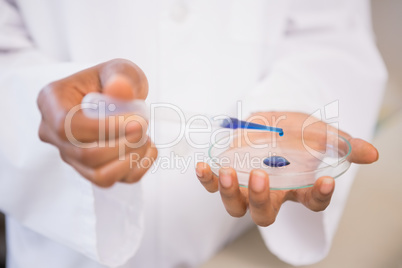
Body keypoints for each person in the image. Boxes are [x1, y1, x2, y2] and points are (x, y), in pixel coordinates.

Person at [0, 0, 386, 267]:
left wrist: (295, 100)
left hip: (233, 248)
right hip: (62, 252)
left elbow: (327, 32)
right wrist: (40, 102)